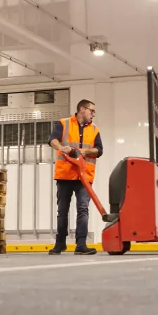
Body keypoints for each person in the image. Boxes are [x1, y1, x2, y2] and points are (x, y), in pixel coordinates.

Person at [48, 99, 103, 256]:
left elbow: (99, 150)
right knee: (62, 210)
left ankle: (81, 244)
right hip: (65, 174)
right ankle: (60, 244)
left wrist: (86, 152)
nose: (93, 114)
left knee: (82, 209)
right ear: (81, 109)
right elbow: (52, 140)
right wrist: (62, 147)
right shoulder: (64, 123)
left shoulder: (94, 129)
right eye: (91, 110)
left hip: (84, 177)